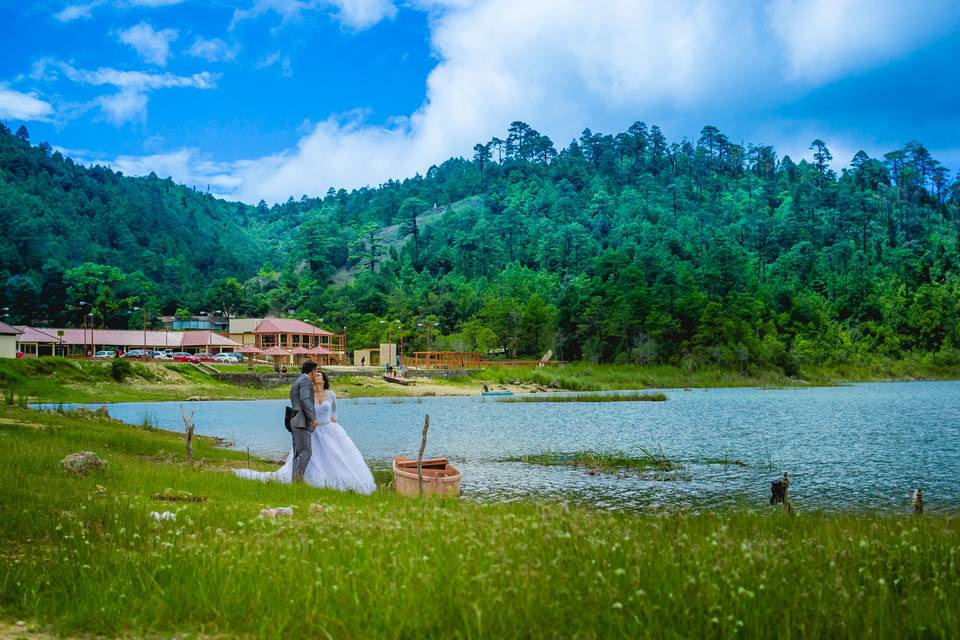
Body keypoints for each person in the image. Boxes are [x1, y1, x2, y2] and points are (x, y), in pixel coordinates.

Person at [234, 369, 375, 494]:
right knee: (310, 456)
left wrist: (333, 418)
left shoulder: (331, 394)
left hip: (329, 430)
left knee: (336, 456)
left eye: (319, 375)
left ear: (324, 380)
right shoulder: (308, 394)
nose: (316, 376)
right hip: (312, 430)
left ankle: (342, 482)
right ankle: (305, 480)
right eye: (315, 374)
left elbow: (334, 411)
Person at [289, 361, 318, 482]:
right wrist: (312, 418)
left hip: (294, 419)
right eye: (316, 371)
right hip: (301, 422)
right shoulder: (306, 381)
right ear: (312, 371)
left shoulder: (298, 380)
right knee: (306, 452)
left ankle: (294, 480)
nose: (316, 374)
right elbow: (305, 400)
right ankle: (298, 479)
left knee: (298, 453)